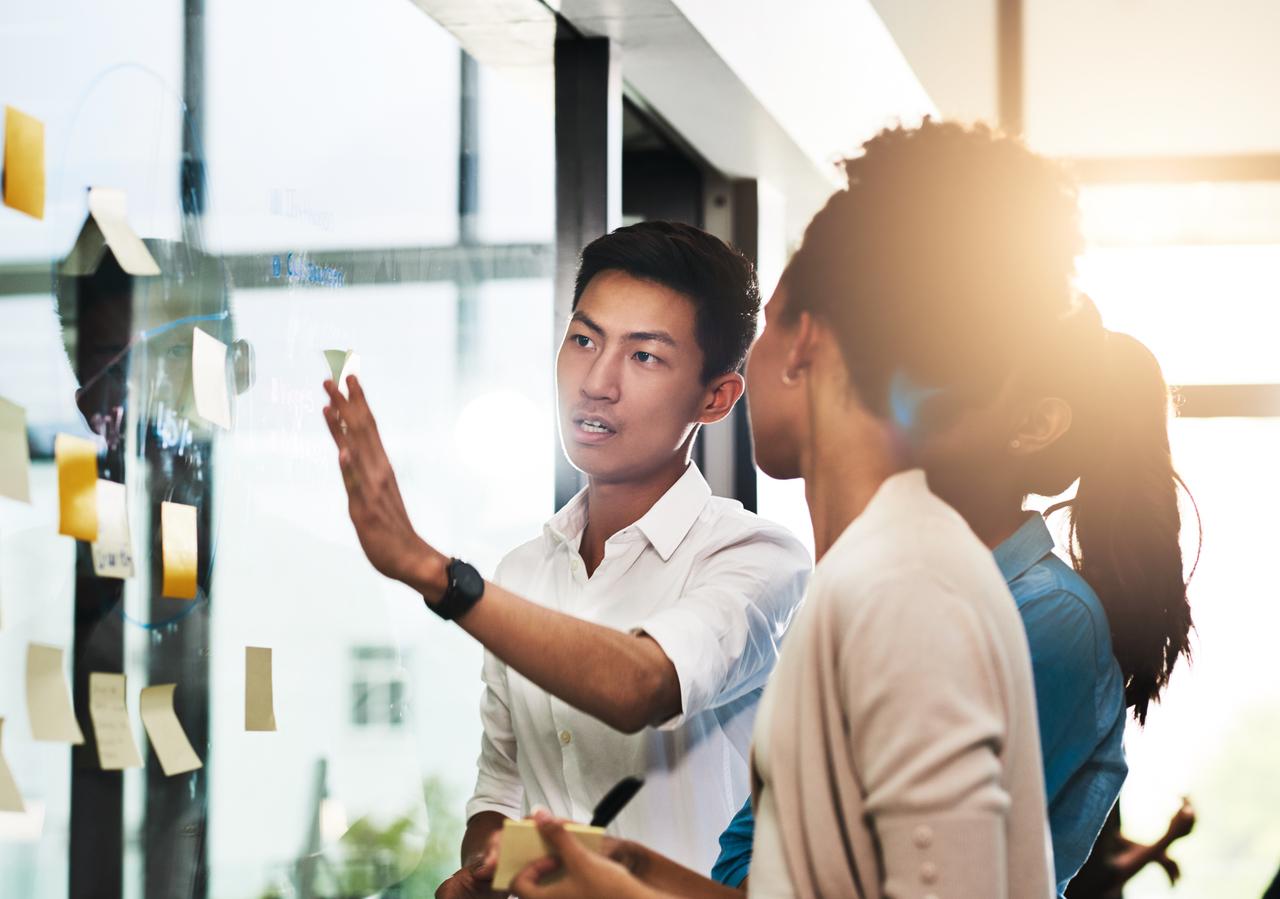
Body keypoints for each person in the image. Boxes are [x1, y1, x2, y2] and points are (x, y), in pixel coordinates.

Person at [508, 120, 1088, 899]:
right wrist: (622, 873)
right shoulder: (870, 571)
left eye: (770, 323)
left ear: (806, 343)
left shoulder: (906, 587)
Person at [320, 221, 810, 896]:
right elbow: (498, 788)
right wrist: (491, 862)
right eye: (584, 339)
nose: (597, 382)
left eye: (644, 357)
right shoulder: (523, 572)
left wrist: (433, 572)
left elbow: (640, 685)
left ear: (715, 396)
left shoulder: (756, 555)